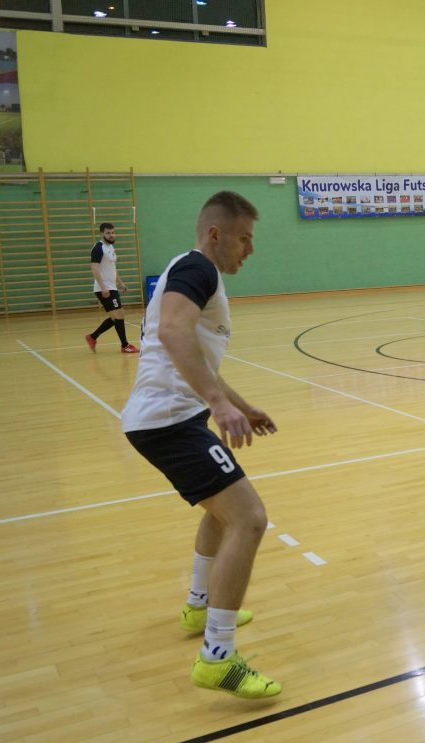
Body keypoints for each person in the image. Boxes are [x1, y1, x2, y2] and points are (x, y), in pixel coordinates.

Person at [122, 191, 281, 699]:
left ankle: (198, 605)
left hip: (173, 418)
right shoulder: (198, 268)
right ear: (216, 234)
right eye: (244, 238)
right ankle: (217, 657)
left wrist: (239, 404)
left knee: (221, 513)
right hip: (169, 422)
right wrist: (218, 403)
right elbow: (172, 332)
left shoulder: (195, 273)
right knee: (249, 519)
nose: (250, 249)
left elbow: (198, 359)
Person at [83, 223, 139, 354]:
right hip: (104, 288)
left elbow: (112, 268)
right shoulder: (98, 248)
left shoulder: (110, 247)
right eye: (108, 233)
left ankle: (92, 337)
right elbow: (94, 268)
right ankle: (125, 345)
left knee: (115, 318)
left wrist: (120, 282)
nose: (111, 235)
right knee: (119, 314)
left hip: (112, 287)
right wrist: (103, 287)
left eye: (113, 232)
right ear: (102, 233)